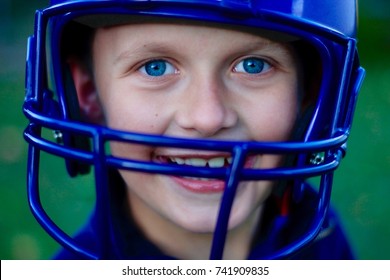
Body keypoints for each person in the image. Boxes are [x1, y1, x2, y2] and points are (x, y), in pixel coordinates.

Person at [23, 0, 365, 260]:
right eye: (155, 68)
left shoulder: (322, 241)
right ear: (89, 96)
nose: (207, 117)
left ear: (311, 94)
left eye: (253, 65)